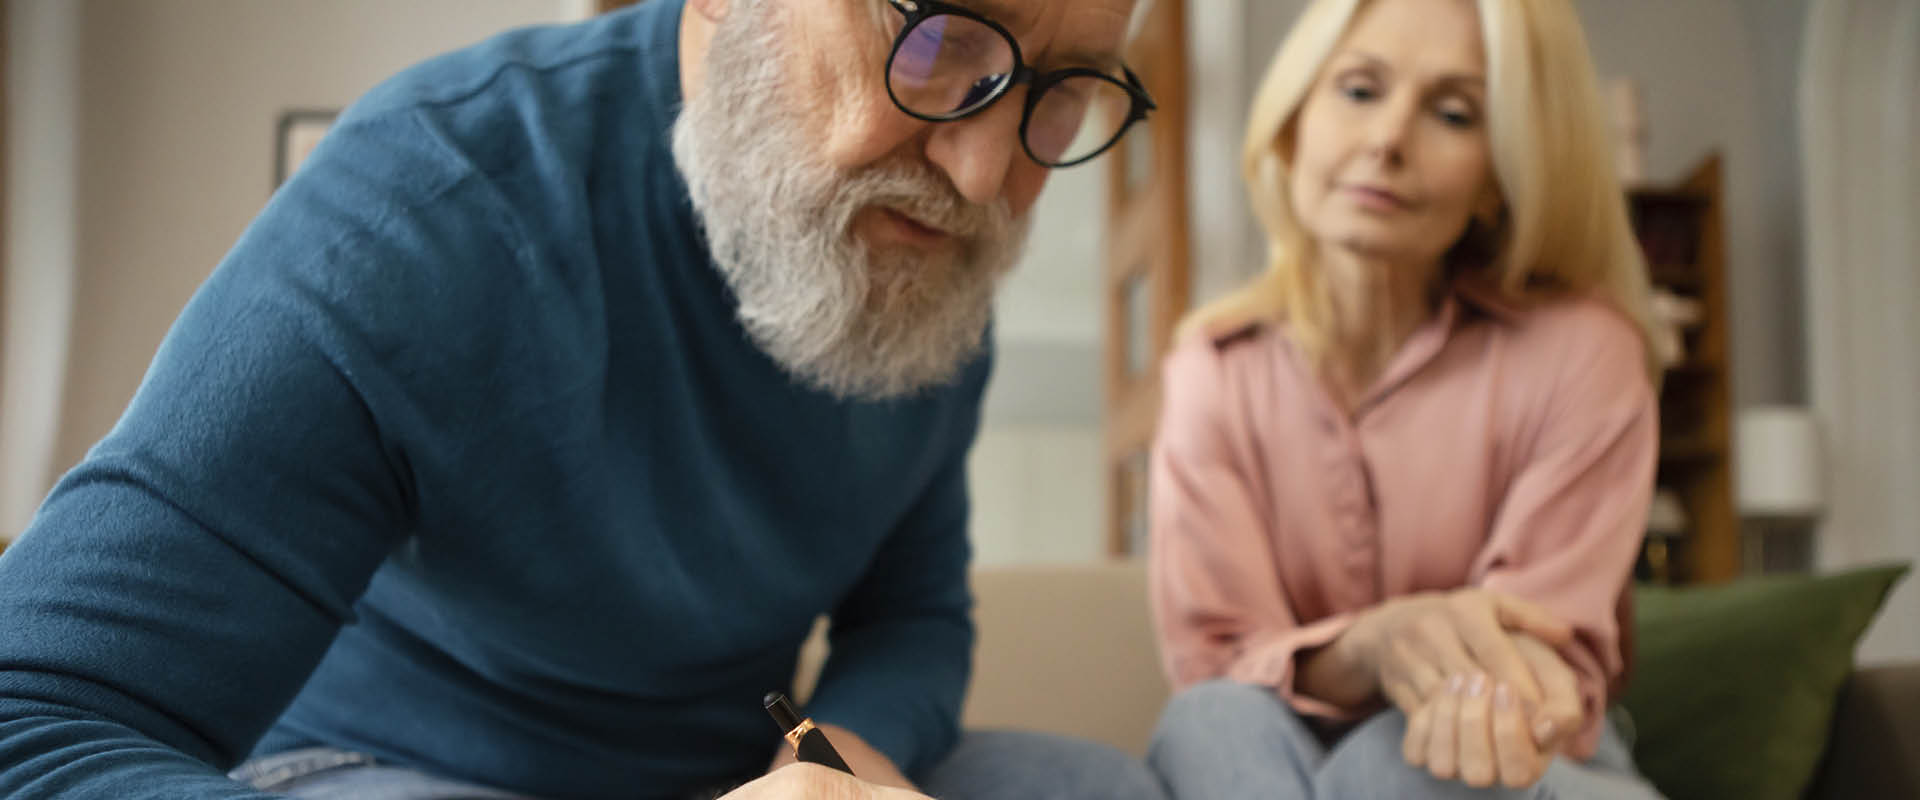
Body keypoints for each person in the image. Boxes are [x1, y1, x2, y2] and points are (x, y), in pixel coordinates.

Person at [0, 1, 1171, 798]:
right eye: (939, 44)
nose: (986, 179)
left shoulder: (929, 258)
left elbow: (912, 614)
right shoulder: (430, 203)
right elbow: (33, 713)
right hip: (396, 763)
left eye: (1062, 99)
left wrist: (837, 758)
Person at [1143, 0, 1668, 797]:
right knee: (1209, 718)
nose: (1387, 140)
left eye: (1453, 114)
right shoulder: (1211, 369)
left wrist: (1452, 671)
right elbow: (1215, 657)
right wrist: (1372, 645)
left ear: (1499, 174)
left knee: (1409, 752)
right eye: (1359, 90)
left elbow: (1527, 662)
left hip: (1536, 763)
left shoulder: (1584, 352)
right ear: (1293, 122)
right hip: (1282, 754)